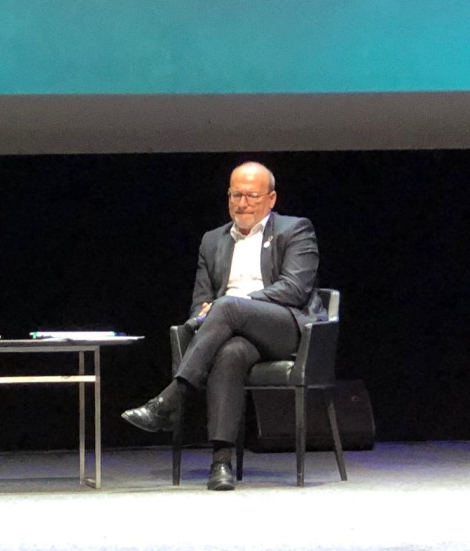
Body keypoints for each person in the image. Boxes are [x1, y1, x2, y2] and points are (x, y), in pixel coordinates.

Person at [121, 162, 325, 491]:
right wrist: (201, 317)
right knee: (230, 353)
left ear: (271, 199)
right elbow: (200, 300)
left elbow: (295, 289)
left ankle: (172, 398)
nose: (241, 203)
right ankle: (221, 464)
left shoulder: (295, 230)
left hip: (286, 328)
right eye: (235, 194)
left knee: (229, 306)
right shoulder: (212, 240)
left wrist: (239, 304)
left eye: (250, 196)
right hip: (233, 332)